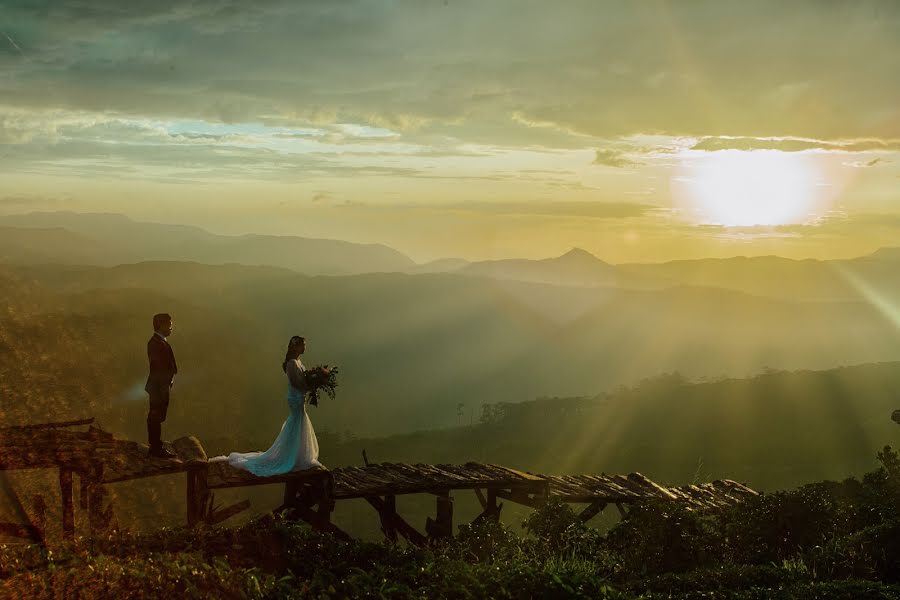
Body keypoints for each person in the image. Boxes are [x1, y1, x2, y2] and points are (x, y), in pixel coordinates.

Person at [211, 335, 323, 475]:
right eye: (303, 345)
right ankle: (292, 456)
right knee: (296, 421)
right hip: (295, 397)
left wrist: (311, 383)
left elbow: (301, 380)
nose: (305, 347)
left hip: (298, 397)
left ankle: (295, 454)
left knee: (297, 422)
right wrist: (311, 386)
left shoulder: (297, 362)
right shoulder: (291, 363)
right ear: (296, 347)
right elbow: (296, 383)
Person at [145, 313, 177, 458]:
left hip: (160, 386)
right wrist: (164, 385)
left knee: (157, 416)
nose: (171, 328)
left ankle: (156, 446)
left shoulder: (158, 342)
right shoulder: (156, 344)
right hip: (158, 387)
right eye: (169, 325)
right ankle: (156, 448)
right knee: (155, 416)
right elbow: (159, 368)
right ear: (161, 325)